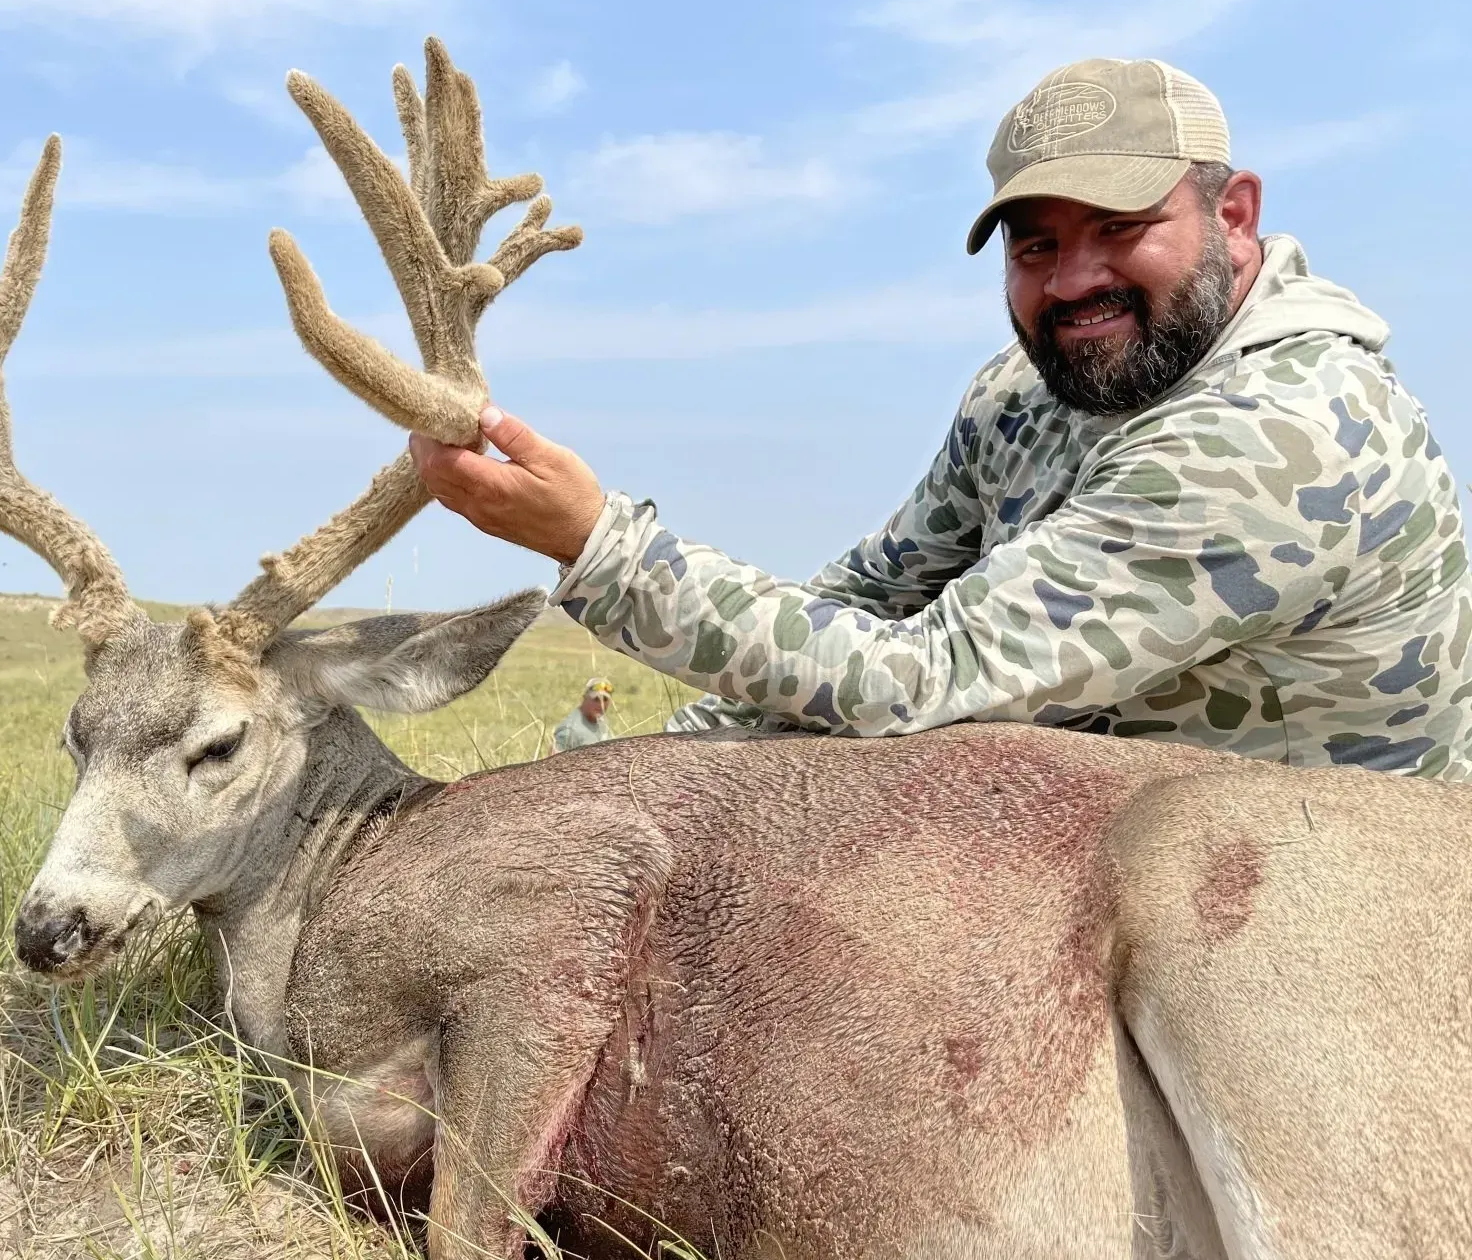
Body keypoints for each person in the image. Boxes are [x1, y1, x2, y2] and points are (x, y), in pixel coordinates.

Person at [411, 58, 1472, 778]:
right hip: (1106, 834)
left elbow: (914, 680)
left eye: (1120, 227)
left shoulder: (1282, 440)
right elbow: (870, 598)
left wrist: (595, 546)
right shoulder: (1028, 392)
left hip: (1318, 929)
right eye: (1035, 245)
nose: (1073, 281)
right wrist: (622, 783)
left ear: (1232, 216)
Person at [553, 677, 616, 753]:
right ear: (584, 698)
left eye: (605, 700)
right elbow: (554, 762)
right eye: (596, 699)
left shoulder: (602, 723)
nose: (600, 704)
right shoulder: (569, 730)